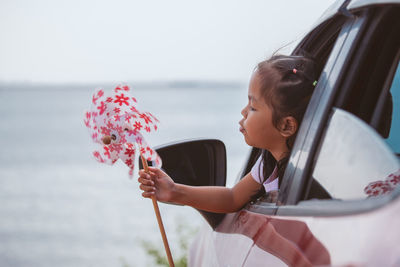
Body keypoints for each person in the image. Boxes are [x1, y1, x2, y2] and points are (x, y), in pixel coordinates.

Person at [138, 54, 317, 213]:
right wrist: (174, 191)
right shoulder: (267, 164)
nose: (243, 112)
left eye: (253, 107)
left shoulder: (313, 172)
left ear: (286, 126)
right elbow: (232, 198)